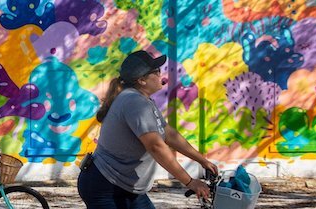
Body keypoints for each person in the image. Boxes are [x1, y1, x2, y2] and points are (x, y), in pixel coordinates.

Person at [77, 50, 219, 209]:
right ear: (141, 80)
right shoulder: (134, 101)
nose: (160, 74)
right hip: (105, 186)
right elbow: (156, 146)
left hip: (126, 187)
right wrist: (190, 182)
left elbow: (168, 134)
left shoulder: (143, 100)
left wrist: (201, 160)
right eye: (156, 71)